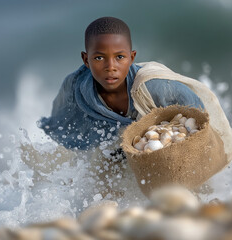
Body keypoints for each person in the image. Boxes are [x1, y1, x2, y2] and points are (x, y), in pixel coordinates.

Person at [38, 17, 205, 151]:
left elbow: (198, 114)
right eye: (98, 58)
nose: (110, 67)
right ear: (85, 60)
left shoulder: (154, 87)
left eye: (119, 57)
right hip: (111, 149)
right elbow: (60, 122)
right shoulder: (76, 89)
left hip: (155, 148)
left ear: (132, 58)